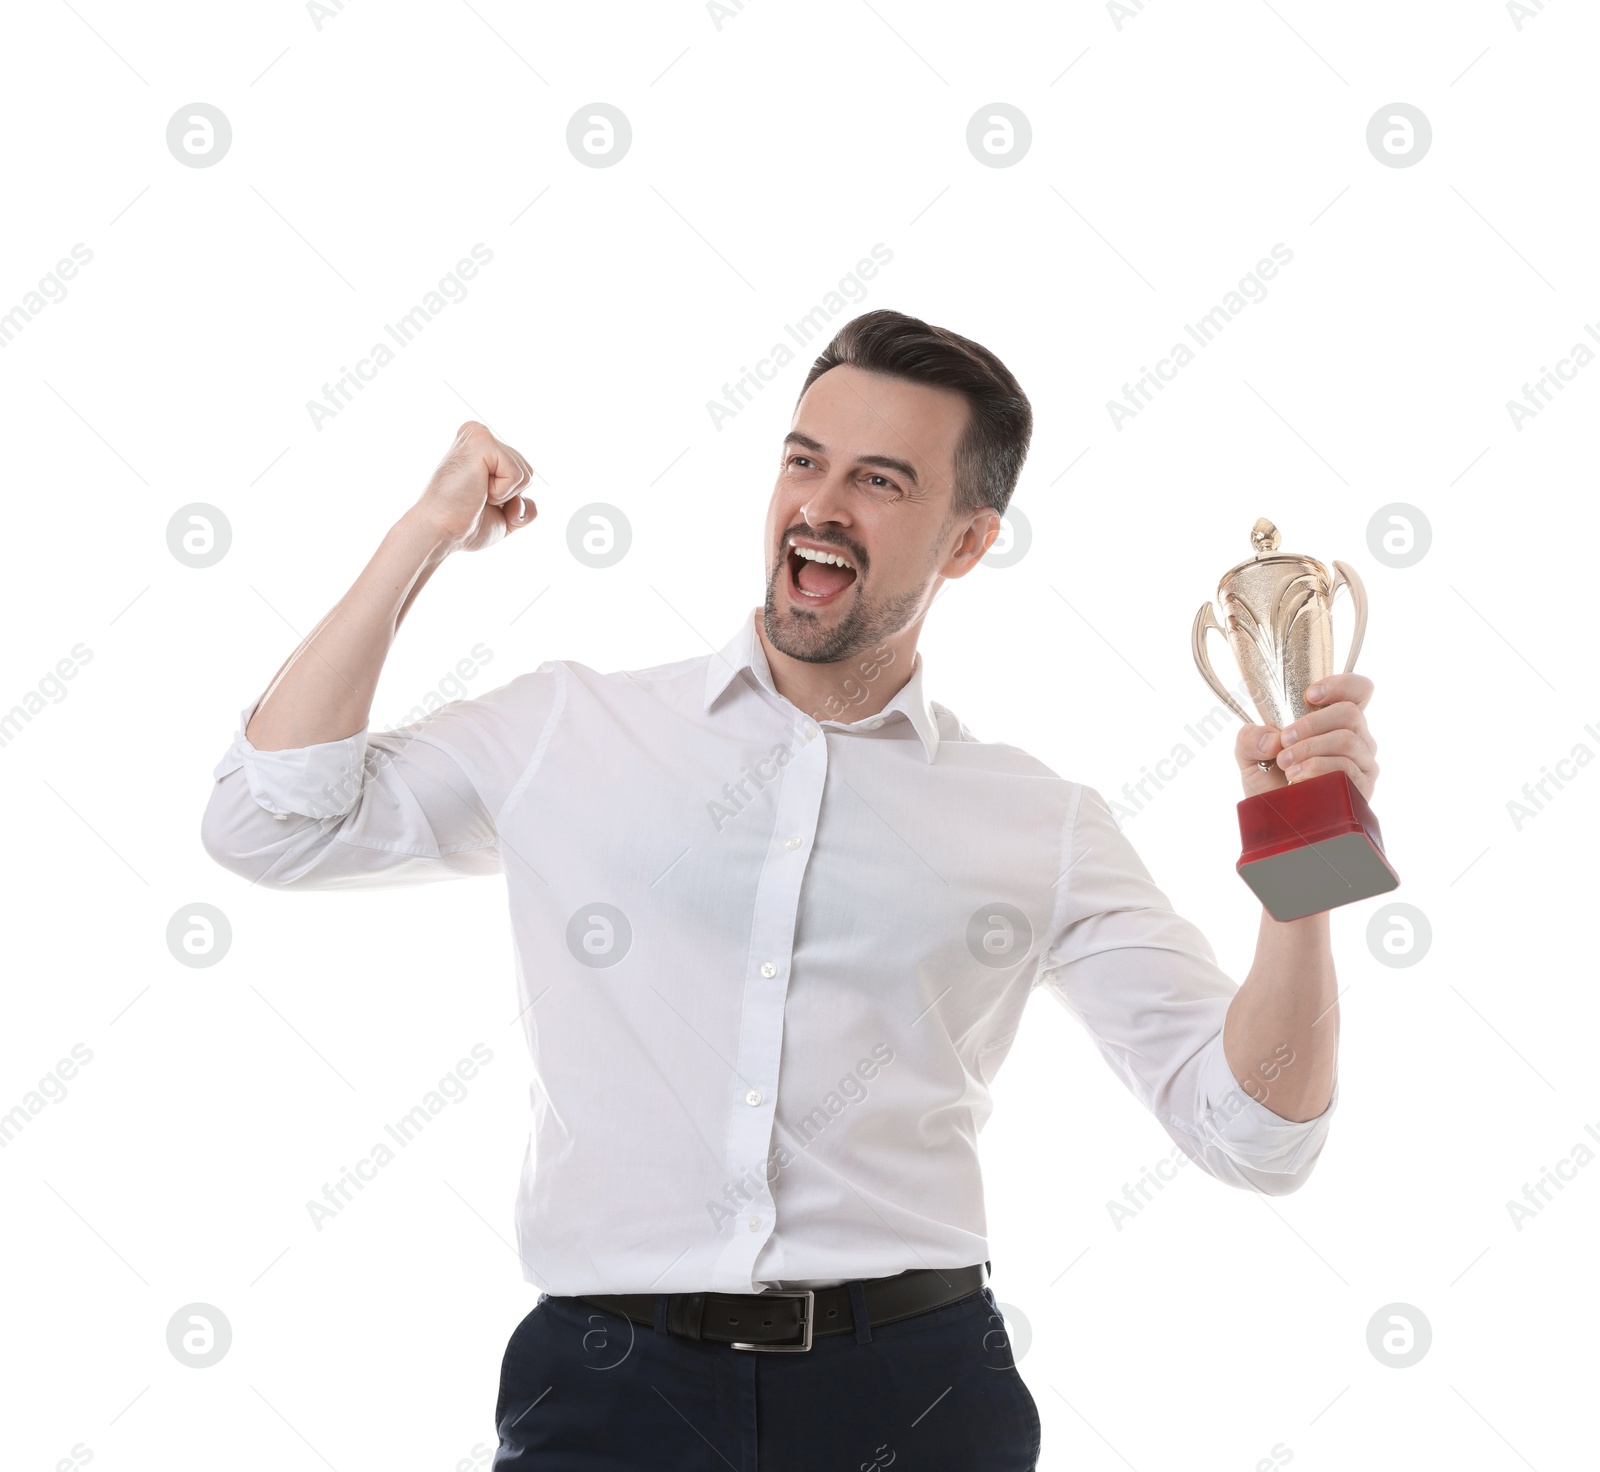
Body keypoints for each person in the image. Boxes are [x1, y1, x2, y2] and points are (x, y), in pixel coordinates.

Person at [201, 308, 1376, 1470]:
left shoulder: (1039, 819)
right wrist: (423, 531)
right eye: (803, 461)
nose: (819, 505)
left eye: (878, 479)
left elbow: (1255, 1136)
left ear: (966, 542)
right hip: (605, 1394)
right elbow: (265, 819)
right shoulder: (573, 727)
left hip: (911, 1396)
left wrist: (1304, 862)